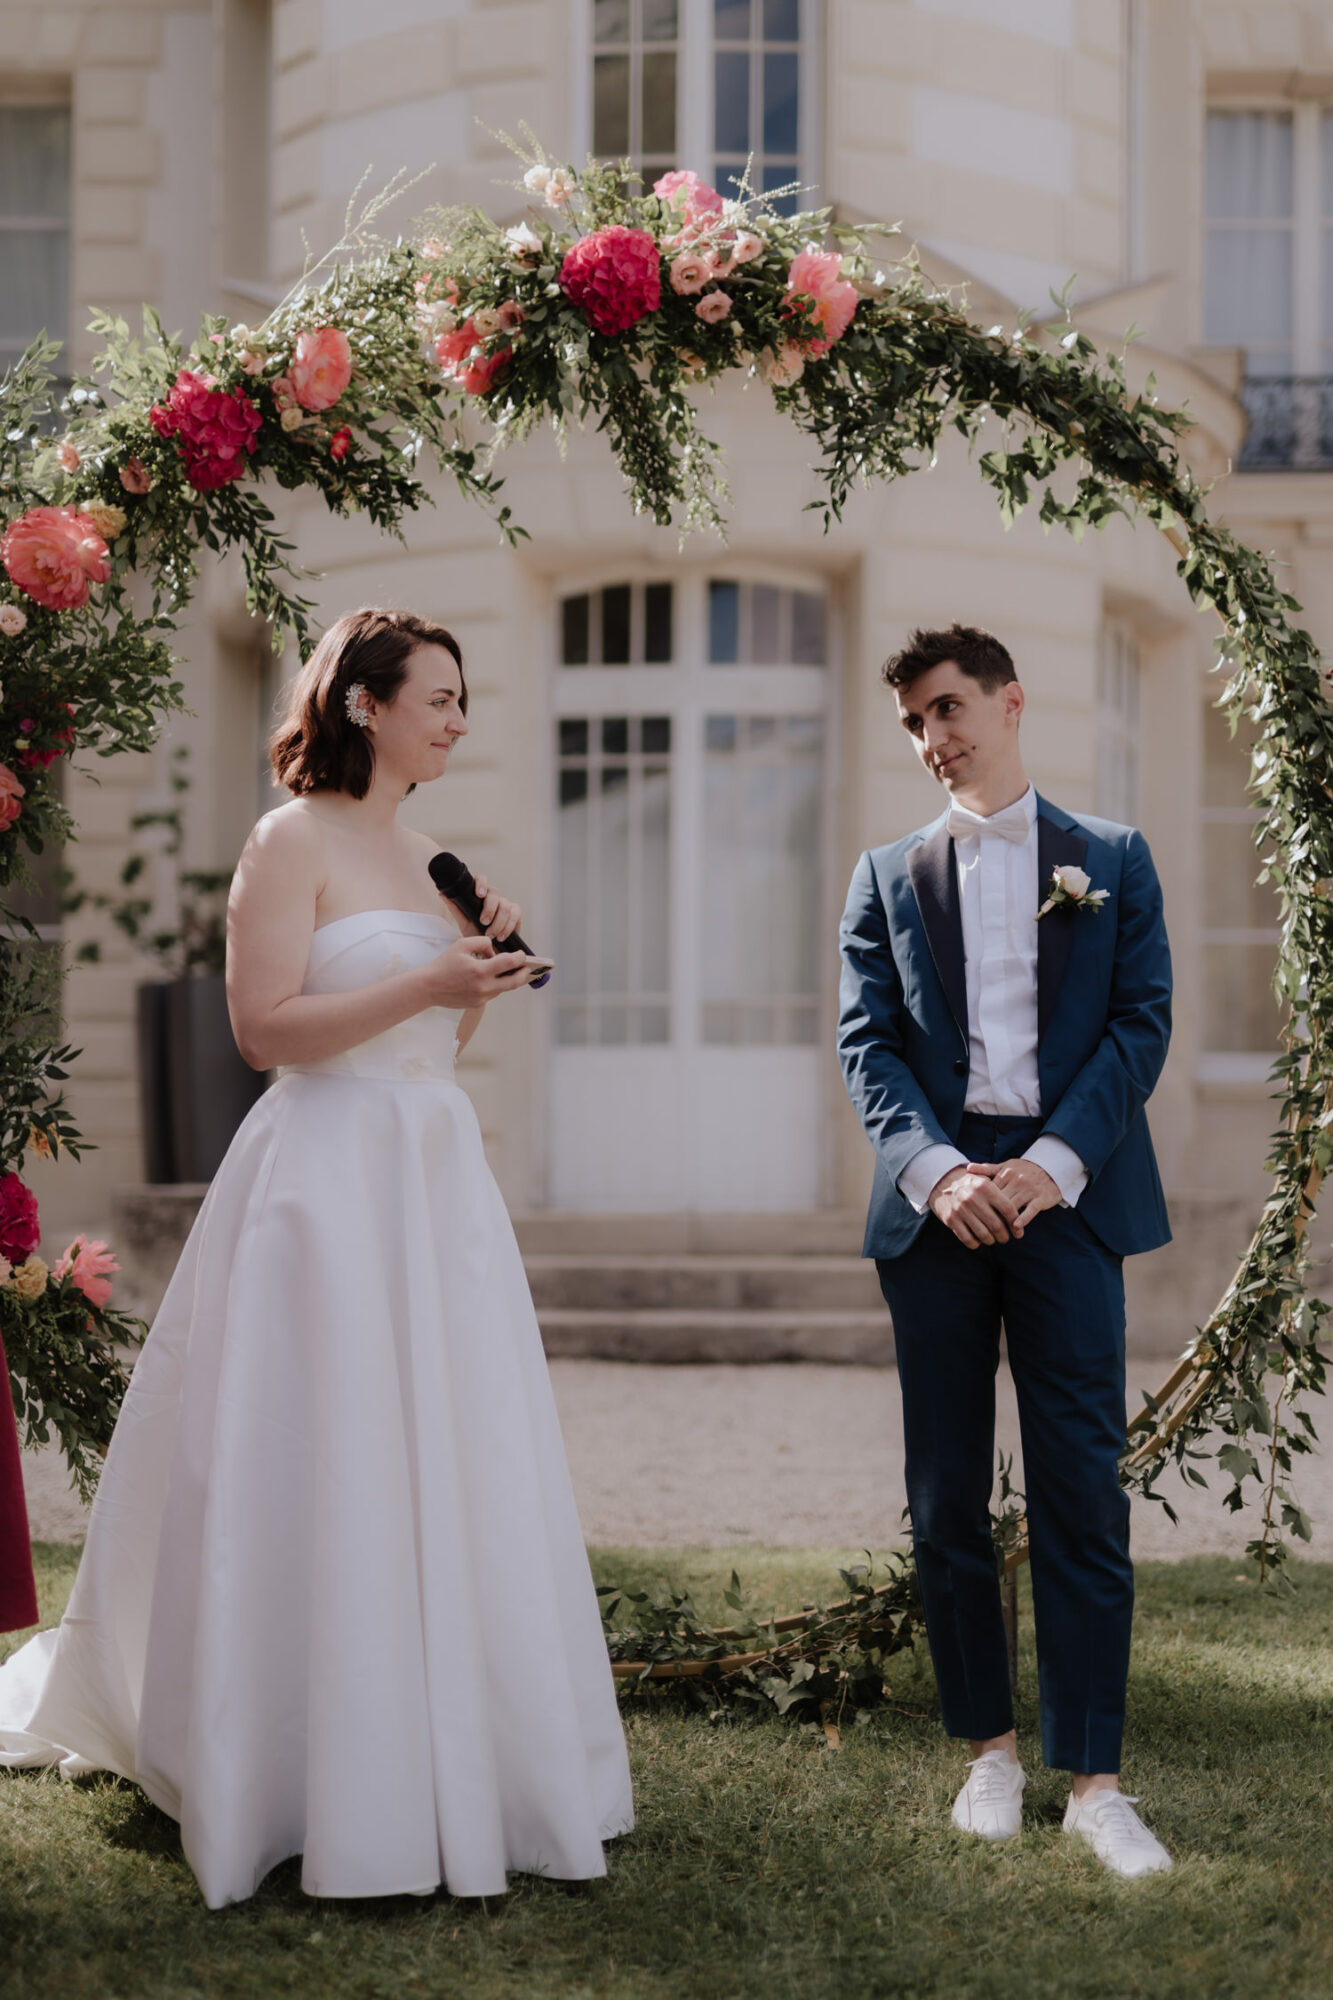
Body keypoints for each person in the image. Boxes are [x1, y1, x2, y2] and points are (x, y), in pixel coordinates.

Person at [0, 606, 633, 1906]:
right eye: (441, 697)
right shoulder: (286, 841)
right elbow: (265, 1032)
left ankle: (447, 1749)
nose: (459, 719)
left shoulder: (436, 856)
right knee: (319, 1448)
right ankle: (285, 1767)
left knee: (444, 1451)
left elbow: (426, 1050)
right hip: (321, 1184)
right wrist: (426, 986)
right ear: (366, 704)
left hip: (428, 1177)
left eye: (464, 700)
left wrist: (467, 986)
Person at [837, 623, 1173, 1879]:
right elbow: (865, 1045)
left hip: (1067, 1198)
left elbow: (1139, 1026)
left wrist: (1050, 1165)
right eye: (916, 722)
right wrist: (938, 1173)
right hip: (938, 1209)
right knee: (944, 1496)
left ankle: (1095, 1781)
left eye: (947, 709)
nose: (933, 738)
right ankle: (985, 1750)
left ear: (1010, 700)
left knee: (1082, 1487)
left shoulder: (1114, 860)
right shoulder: (882, 875)